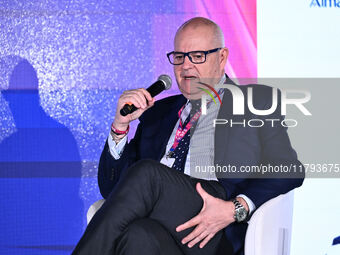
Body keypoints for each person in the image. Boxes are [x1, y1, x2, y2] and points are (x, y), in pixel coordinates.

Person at [72, 17, 304, 255]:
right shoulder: (157, 113)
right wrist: (120, 126)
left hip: (214, 225)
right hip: (160, 228)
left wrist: (235, 208)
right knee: (137, 235)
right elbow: (113, 190)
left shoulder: (255, 102)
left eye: (198, 56)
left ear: (222, 57)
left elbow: (289, 167)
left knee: (147, 173)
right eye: (180, 57)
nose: (186, 66)